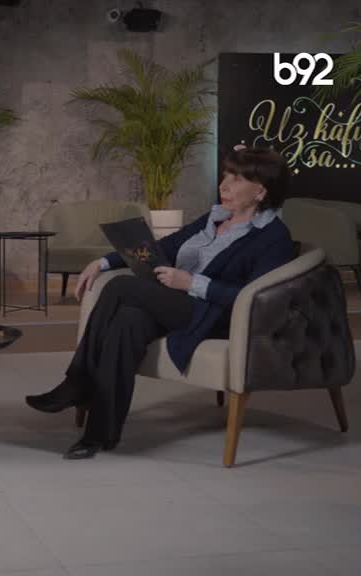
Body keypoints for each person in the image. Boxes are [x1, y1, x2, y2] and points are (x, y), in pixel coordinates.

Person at [26, 146, 294, 460]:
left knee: (121, 286)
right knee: (128, 319)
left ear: (261, 191)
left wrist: (191, 283)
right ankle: (99, 435)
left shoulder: (273, 237)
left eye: (236, 179)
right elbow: (162, 246)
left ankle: (77, 382)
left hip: (214, 315)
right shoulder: (214, 218)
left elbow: (257, 299)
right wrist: (103, 262)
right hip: (176, 304)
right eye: (225, 175)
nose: (224, 185)